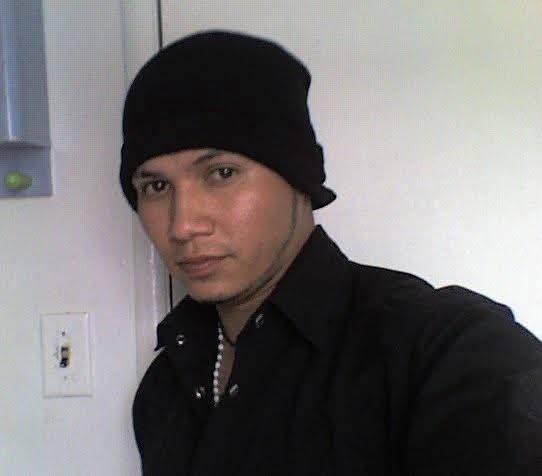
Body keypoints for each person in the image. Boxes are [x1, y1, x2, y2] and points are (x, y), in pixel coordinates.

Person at [119, 30, 542, 476]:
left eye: (222, 173)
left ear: (297, 177)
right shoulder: (163, 388)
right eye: (156, 186)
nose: (183, 225)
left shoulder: (443, 351)